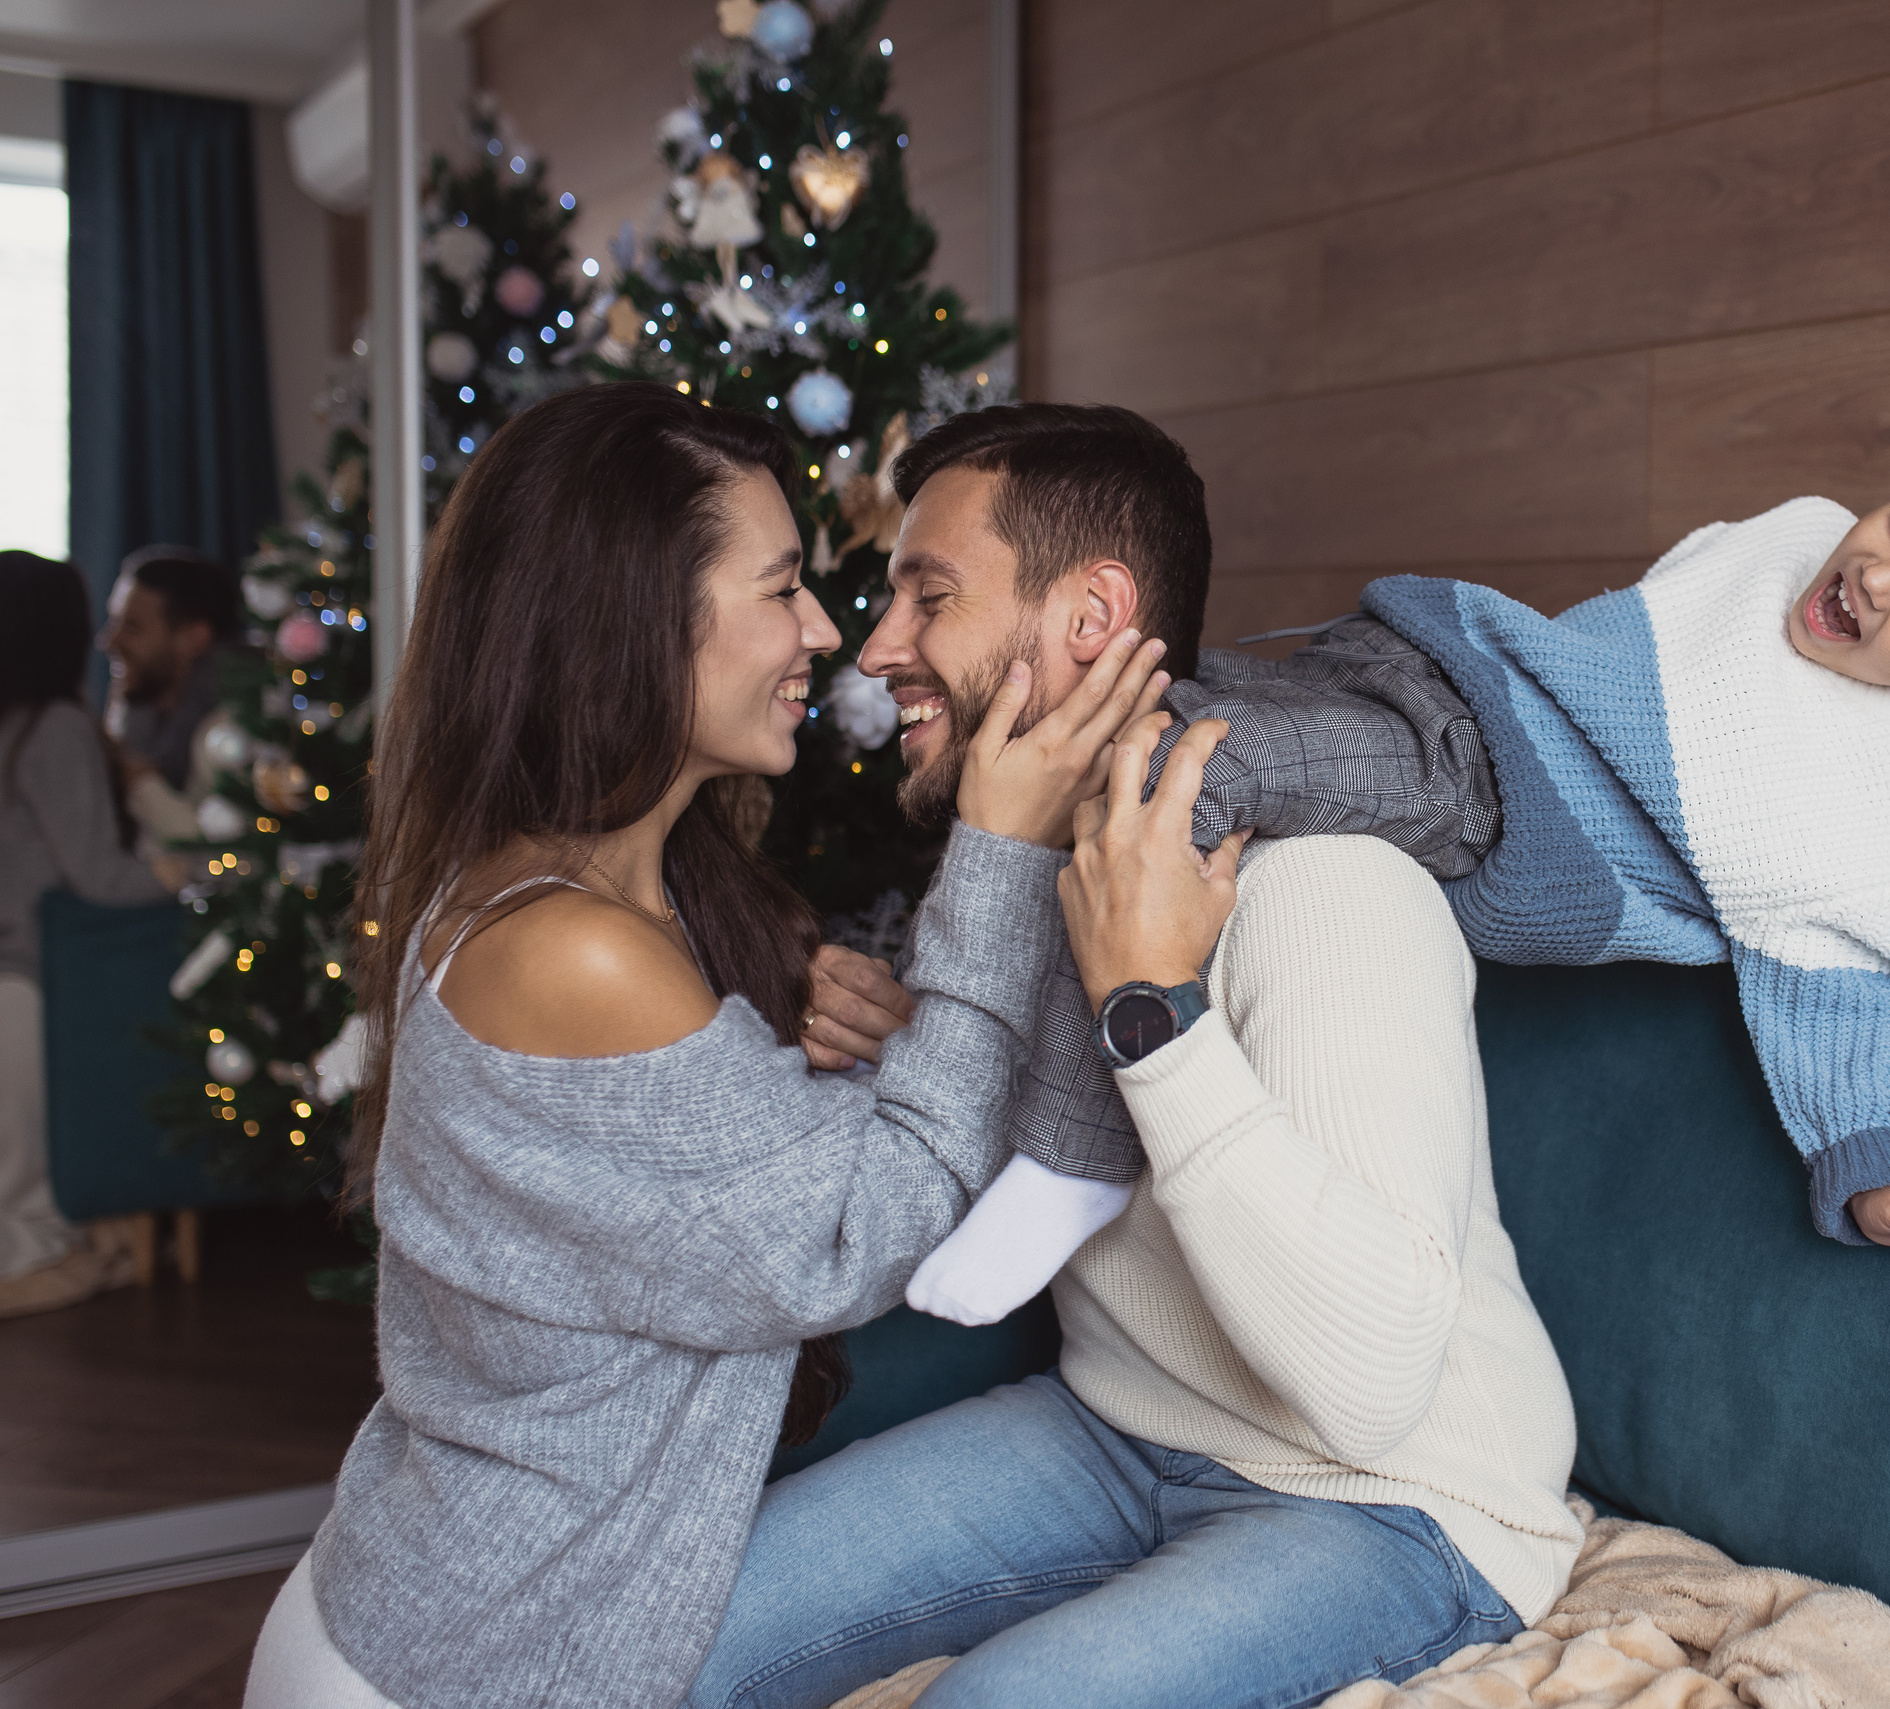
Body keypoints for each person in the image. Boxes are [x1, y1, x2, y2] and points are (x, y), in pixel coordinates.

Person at [238, 383, 1223, 1709]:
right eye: (782, 590)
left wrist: (897, 1050)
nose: (828, 633)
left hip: (444, 1617)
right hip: (450, 1672)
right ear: (635, 625)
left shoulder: (633, 893)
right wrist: (1001, 850)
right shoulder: (569, 952)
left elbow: (717, 1200)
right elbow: (869, 1225)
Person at [685, 404, 1580, 1709]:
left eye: (929, 597)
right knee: (690, 1629)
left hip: (1396, 1503)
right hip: (1116, 1426)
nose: (874, 653)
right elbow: (1049, 1179)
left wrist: (1152, 1009)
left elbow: (1372, 1387)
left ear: (1091, 617)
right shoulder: (1019, 865)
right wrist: (913, 1052)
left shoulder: (1327, 884)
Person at [910, 430, 1890, 1326]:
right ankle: (910, 986)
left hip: (1470, 792)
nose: (1870, 577)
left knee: (1173, 768)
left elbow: (1849, 1011)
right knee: (1127, 712)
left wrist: (1880, 1168)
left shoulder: (1874, 818)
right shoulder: (1807, 532)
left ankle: (1074, 1159)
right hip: (1419, 663)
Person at [0, 551, 177, 1318]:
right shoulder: (58, 727)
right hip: (25, 977)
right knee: (26, 1211)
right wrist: (179, 876)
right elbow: (97, 875)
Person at [97, 545, 241, 843]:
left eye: (132, 627)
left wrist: (136, 780)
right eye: (114, 621)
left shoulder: (230, 730)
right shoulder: (137, 705)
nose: (109, 641)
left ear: (194, 638)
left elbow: (215, 850)